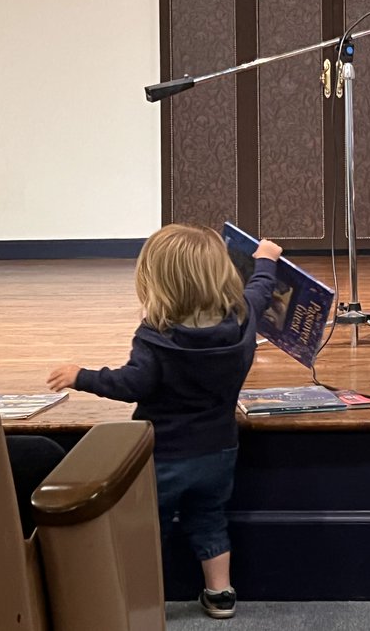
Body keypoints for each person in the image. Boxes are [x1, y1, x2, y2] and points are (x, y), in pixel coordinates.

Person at [47, 223, 281, 620]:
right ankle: (220, 594)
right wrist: (265, 260)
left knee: (149, 527)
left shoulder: (155, 338)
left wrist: (81, 375)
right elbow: (260, 289)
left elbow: (130, 384)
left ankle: (144, 600)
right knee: (209, 520)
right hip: (220, 451)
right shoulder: (243, 320)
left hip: (164, 456)